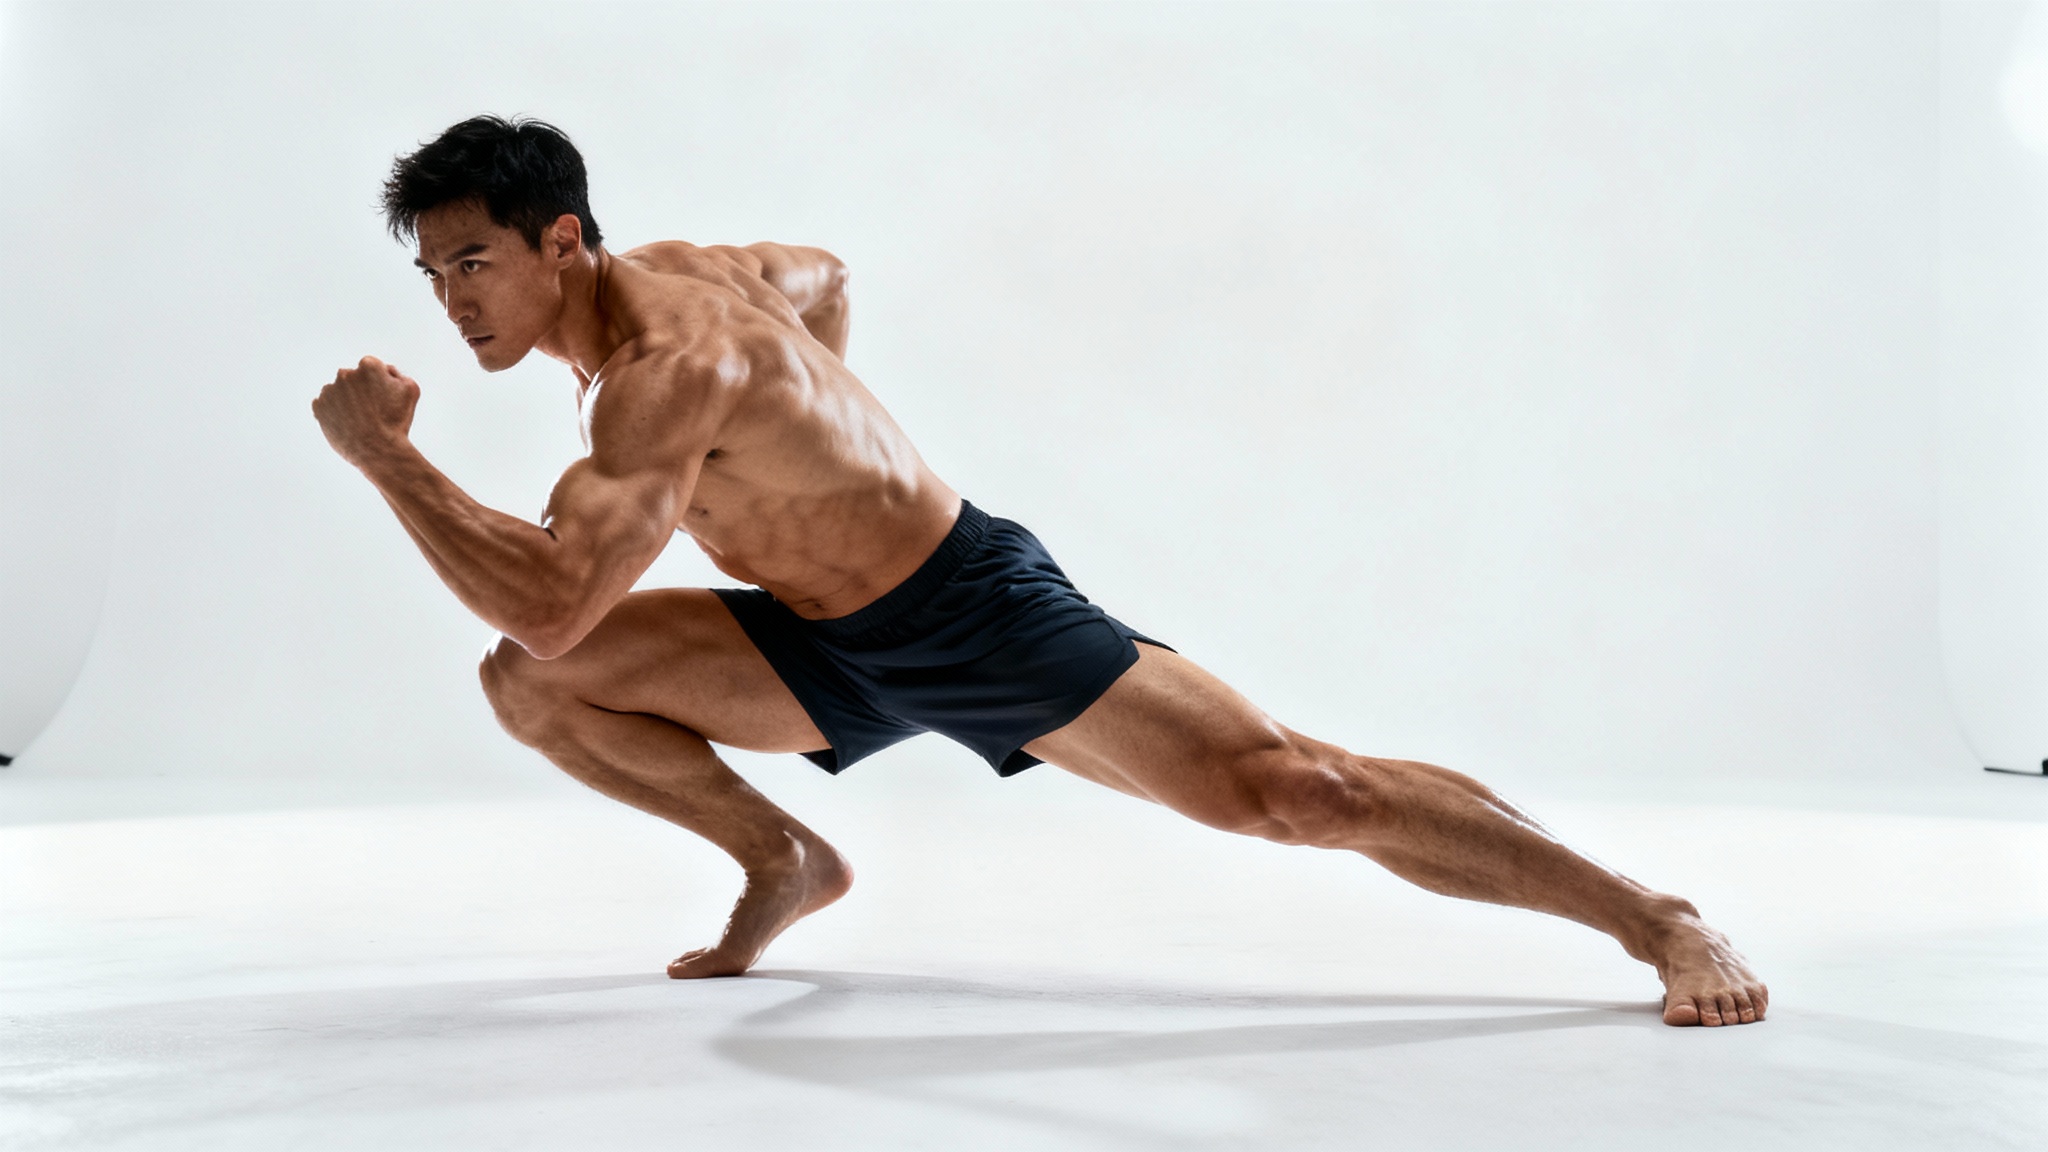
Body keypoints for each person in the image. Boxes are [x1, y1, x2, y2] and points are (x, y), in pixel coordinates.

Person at [312, 115, 1767, 1027]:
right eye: (433, 276)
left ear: (561, 239)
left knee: (1297, 791)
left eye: (478, 265)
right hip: (821, 640)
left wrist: (390, 460)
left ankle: (1655, 919)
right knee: (526, 693)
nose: (454, 303)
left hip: (967, 608)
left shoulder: (661, 377)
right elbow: (824, 273)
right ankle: (786, 860)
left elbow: (564, 601)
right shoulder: (714, 273)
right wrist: (817, 451)